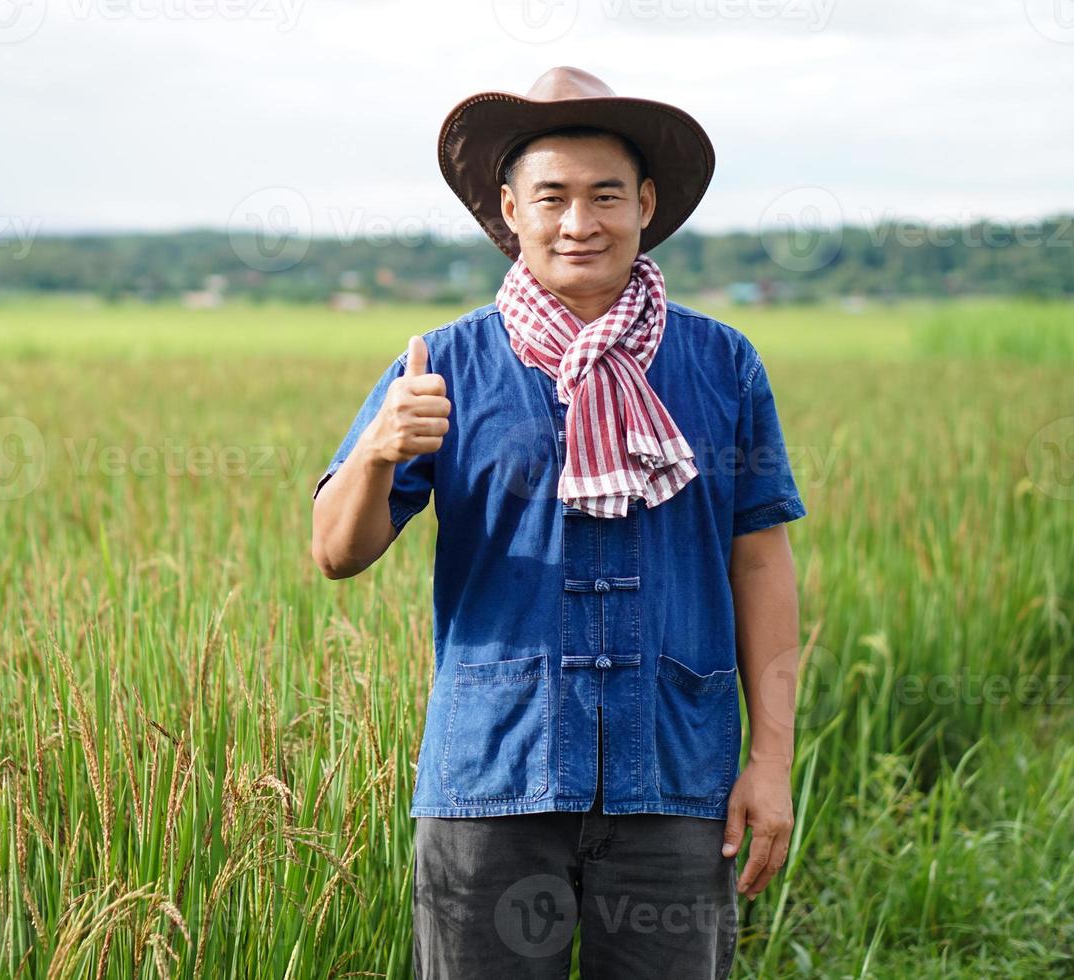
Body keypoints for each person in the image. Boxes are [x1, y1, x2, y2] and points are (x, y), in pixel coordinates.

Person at [310, 67, 807, 979]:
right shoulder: (443, 364)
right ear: (511, 210)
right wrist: (379, 448)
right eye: (552, 197)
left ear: (646, 204)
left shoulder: (720, 364)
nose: (580, 222)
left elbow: (762, 566)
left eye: (605, 195)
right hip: (491, 780)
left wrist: (770, 762)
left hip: (675, 775)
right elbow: (337, 553)